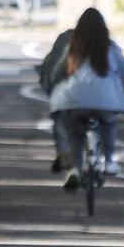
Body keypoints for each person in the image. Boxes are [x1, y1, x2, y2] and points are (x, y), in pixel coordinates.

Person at [49, 7, 124, 187]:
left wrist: (53, 86)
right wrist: (119, 90)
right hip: (105, 102)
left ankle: (75, 170)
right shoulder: (111, 48)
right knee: (109, 124)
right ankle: (109, 161)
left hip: (74, 101)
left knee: (74, 133)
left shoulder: (73, 48)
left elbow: (57, 73)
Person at [36, 24, 76, 172]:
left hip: (68, 94)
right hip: (101, 98)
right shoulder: (107, 44)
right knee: (107, 122)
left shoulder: (66, 41)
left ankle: (64, 154)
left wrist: (51, 86)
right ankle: (108, 157)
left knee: (59, 117)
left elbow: (54, 70)